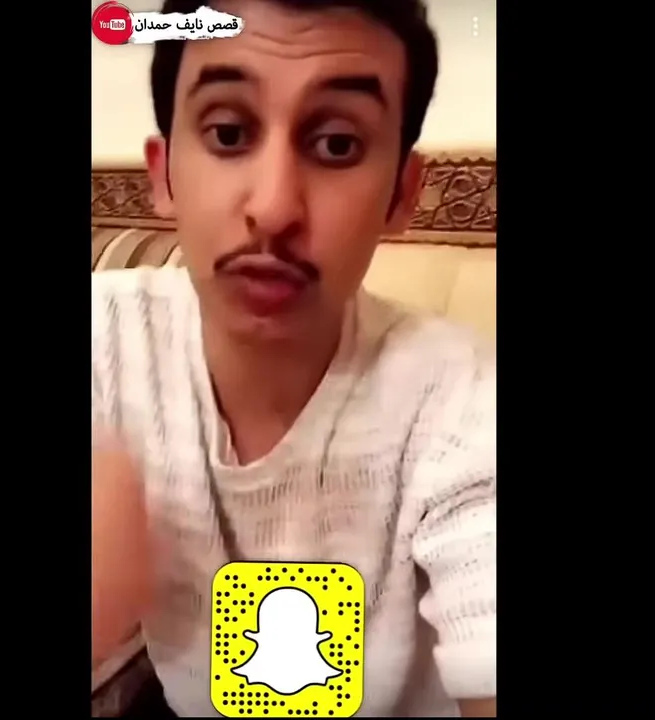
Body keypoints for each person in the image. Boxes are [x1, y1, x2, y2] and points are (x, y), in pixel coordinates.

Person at [90, 0, 496, 716]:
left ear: (401, 195)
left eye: (337, 144)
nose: (274, 208)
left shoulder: (462, 404)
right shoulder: (107, 339)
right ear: (164, 174)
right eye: (228, 133)